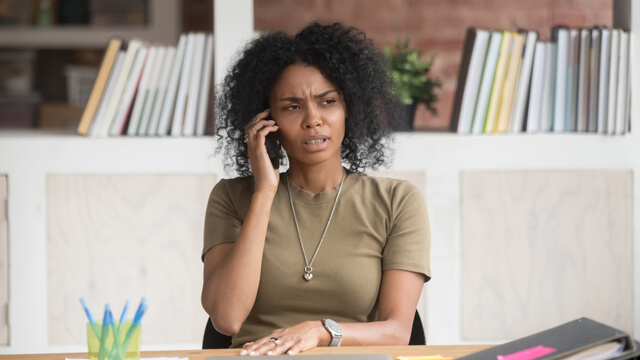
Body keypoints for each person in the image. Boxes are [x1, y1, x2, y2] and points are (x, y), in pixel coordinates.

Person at [201, 22, 431, 356]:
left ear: (348, 108)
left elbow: (397, 332)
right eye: (292, 106)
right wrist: (264, 193)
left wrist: (320, 331)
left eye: (327, 102)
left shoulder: (398, 202)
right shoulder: (231, 198)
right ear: (266, 120)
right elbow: (227, 319)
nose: (313, 119)